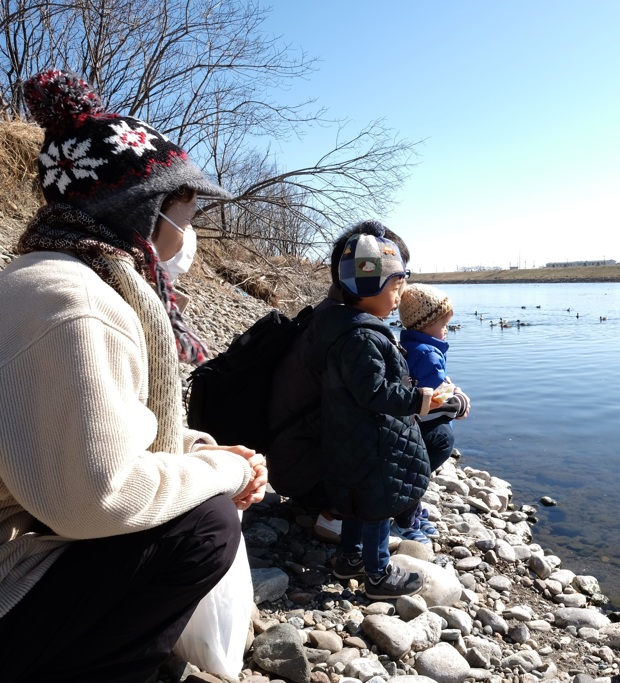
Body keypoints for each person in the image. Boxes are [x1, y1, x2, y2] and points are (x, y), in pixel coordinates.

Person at [0, 69, 267, 682]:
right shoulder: (80, 304)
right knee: (207, 526)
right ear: (144, 213)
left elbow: (97, 418)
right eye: (187, 209)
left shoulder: (46, 277)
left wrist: (199, 450)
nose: (191, 230)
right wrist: (227, 471)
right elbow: (96, 499)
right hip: (8, 587)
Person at [266, 221, 459, 599]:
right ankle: (377, 574)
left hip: (346, 437)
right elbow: (373, 391)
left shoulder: (339, 322)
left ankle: (348, 559)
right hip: (368, 442)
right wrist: (421, 399)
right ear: (371, 290)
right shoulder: (363, 336)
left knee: (354, 505)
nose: (400, 297)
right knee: (374, 509)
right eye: (396, 286)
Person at [390, 284, 470, 541]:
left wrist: (452, 387)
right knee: (421, 467)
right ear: (426, 325)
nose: (446, 330)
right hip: (421, 421)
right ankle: (404, 521)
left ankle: (412, 511)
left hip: (411, 418)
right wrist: (457, 404)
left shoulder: (411, 344)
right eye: (442, 324)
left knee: (417, 467)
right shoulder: (428, 354)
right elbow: (435, 396)